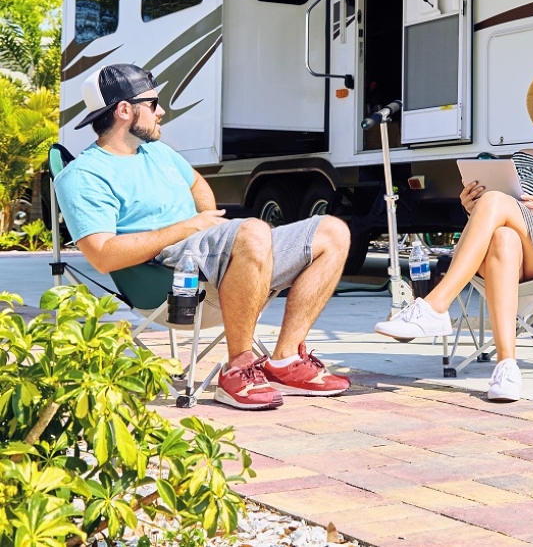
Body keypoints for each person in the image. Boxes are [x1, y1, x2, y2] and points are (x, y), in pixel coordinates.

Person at [54, 64, 352, 411]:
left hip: (209, 255)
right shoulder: (84, 175)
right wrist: (187, 228)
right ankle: (238, 369)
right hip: (166, 275)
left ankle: (284, 359)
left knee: (333, 231)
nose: (161, 111)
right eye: (153, 104)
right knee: (253, 230)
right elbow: (102, 255)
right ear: (124, 110)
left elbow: (196, 183)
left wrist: (209, 227)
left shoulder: (156, 152)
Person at [374, 66, 533, 401]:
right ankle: (507, 367)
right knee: (502, 235)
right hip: (514, 258)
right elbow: (507, 212)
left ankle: (435, 306)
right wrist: (471, 207)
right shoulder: (526, 159)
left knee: (497, 203)